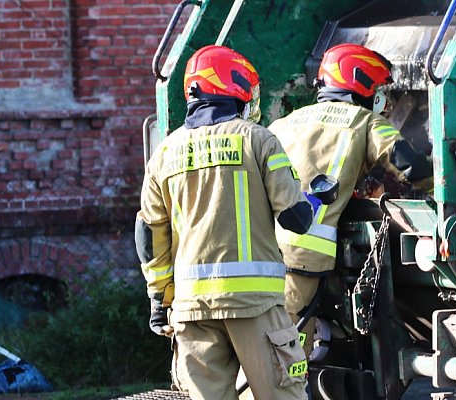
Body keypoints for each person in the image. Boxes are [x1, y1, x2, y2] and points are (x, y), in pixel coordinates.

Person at [135, 45, 318, 400]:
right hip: (255, 306)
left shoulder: (165, 154)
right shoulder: (258, 139)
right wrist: (312, 198)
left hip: (190, 310)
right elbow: (296, 218)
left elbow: (149, 234)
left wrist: (160, 300)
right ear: (233, 88)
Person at [268, 43, 433, 356]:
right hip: (302, 255)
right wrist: (444, 191)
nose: (384, 102)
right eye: (381, 90)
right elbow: (408, 164)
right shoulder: (362, 121)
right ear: (362, 84)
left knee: (264, 333)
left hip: (260, 250)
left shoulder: (283, 123)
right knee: (286, 350)